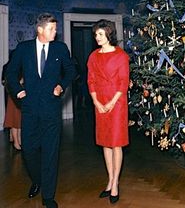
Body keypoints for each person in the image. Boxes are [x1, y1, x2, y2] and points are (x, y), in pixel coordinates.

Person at [6, 13, 76, 208]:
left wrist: (61, 86)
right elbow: (10, 72)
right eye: (52, 29)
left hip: (52, 110)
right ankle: (37, 179)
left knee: (51, 153)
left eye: (55, 28)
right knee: (28, 150)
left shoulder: (60, 49)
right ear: (40, 30)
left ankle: (48, 196)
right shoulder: (24, 48)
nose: (56, 32)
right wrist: (18, 90)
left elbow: (71, 70)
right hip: (29, 110)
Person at [87, 19, 129, 204]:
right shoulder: (93, 56)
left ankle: (115, 184)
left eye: (100, 34)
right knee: (105, 142)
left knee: (116, 143)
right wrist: (96, 101)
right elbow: (91, 80)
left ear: (109, 34)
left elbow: (123, 82)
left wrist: (112, 102)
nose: (97, 37)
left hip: (117, 102)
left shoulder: (121, 56)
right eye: (96, 34)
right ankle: (110, 179)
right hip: (100, 102)